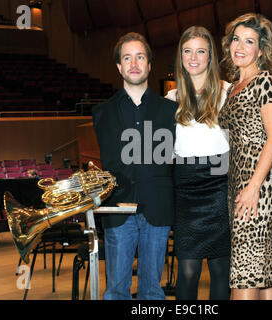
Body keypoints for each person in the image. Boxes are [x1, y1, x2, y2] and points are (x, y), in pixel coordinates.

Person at [92, 32, 178, 300]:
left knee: (152, 292)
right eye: (127, 58)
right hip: (118, 210)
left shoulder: (171, 111)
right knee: (116, 291)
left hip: (158, 208)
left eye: (140, 57)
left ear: (149, 65)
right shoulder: (101, 113)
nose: (133, 63)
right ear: (119, 66)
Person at [218, 13, 272, 300]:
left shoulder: (264, 80)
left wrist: (254, 186)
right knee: (262, 263)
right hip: (238, 178)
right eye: (236, 39)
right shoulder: (232, 87)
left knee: (245, 265)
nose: (240, 47)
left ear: (260, 50)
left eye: (249, 41)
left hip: (259, 181)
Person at [165, 26, 231, 300]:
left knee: (220, 270)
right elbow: (166, 152)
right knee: (189, 271)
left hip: (220, 185)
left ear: (210, 56)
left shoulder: (229, 93)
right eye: (187, 51)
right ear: (180, 56)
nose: (194, 57)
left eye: (200, 51)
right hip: (185, 188)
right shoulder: (170, 99)